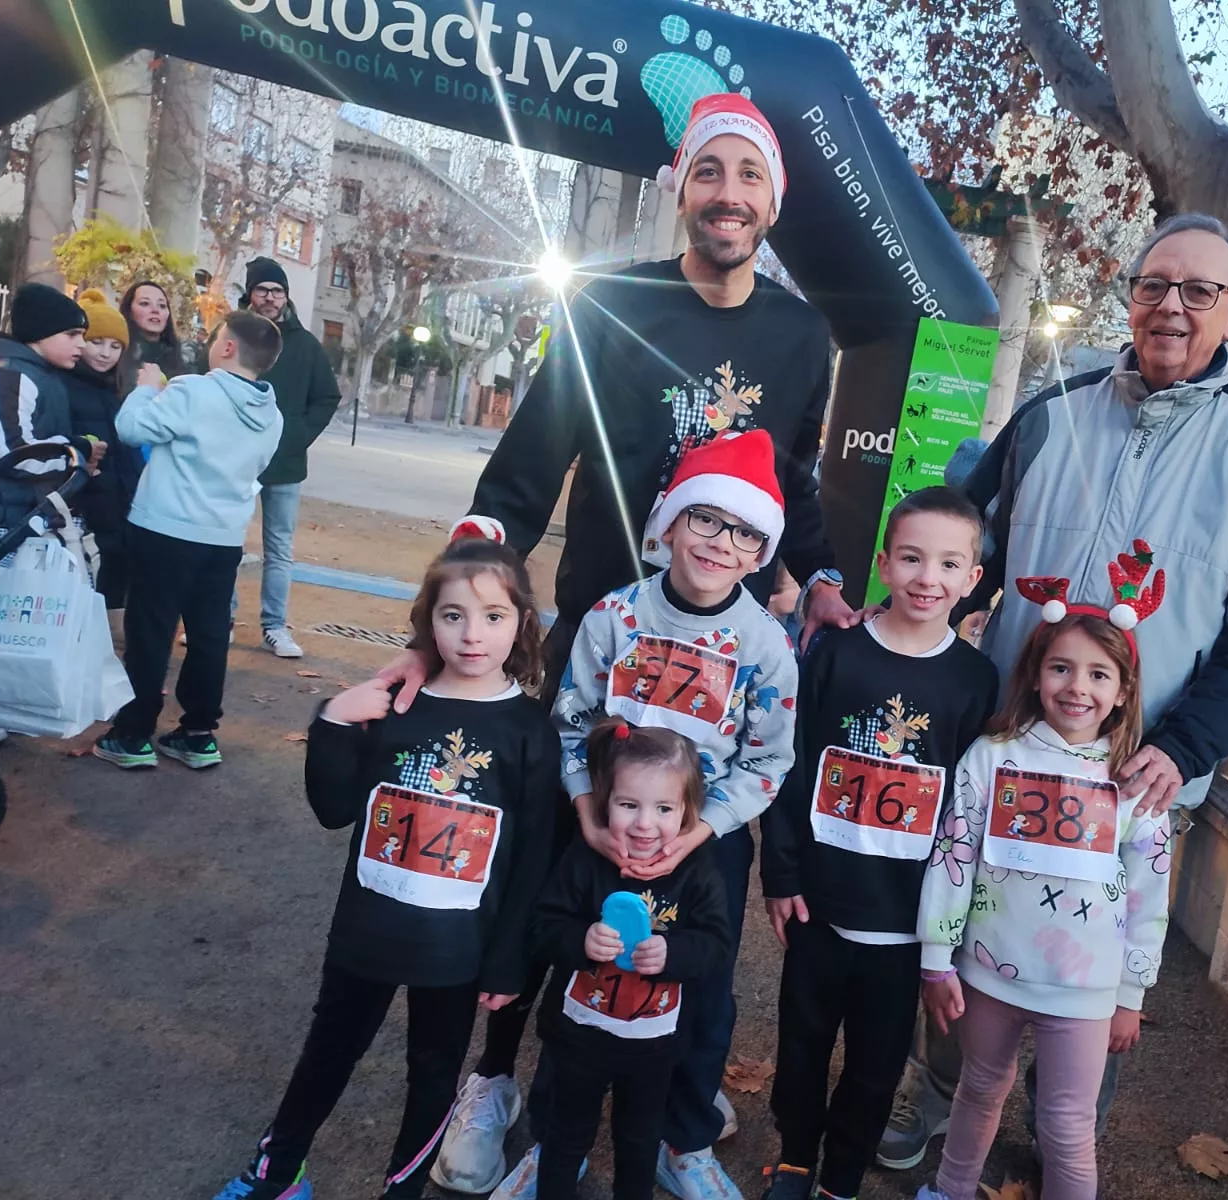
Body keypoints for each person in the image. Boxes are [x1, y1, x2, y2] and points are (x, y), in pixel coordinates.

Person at [428, 91, 856, 1200]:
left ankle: (674, 1123)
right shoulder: (605, 305)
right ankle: (494, 1081)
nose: (727, 194)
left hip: (716, 678)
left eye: (747, 176)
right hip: (601, 651)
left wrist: (824, 587)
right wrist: (457, 600)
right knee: (549, 878)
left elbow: (792, 488)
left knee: (697, 896)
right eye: (708, 171)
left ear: (776, 198)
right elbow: (520, 475)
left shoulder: (803, 335)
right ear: (680, 186)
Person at [878, 211, 1228, 1168]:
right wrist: (889, 633)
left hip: (1133, 779)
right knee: (968, 937)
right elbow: (967, 549)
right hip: (1006, 748)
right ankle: (940, 1098)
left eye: (1199, 291)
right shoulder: (1051, 414)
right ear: (1129, 296)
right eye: (1155, 284)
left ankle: (1061, 1135)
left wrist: (1185, 745)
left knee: (1095, 970)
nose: (1172, 306)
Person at [482, 430, 798, 1200]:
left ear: (762, 552)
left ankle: (681, 1138)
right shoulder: (614, 615)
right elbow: (569, 721)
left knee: (701, 991)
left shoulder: (764, 644)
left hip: (704, 847)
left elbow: (769, 762)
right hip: (602, 836)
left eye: (745, 531)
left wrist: (702, 828)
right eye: (707, 520)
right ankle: (560, 1135)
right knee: (582, 976)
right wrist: (589, 814)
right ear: (670, 522)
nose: (722, 543)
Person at [208, 522, 560, 1200]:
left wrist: (510, 957)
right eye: (453, 615)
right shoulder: (396, 704)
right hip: (367, 934)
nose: (472, 634)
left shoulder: (528, 733)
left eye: (493, 616)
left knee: (433, 1070)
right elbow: (335, 807)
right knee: (329, 1050)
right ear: (429, 620)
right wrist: (334, 720)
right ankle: (276, 1173)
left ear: (522, 623)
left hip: (457, 950)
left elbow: (531, 858)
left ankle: (401, 1188)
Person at [758, 487, 998, 1200]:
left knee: (875, 1066)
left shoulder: (974, 682)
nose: (930, 578)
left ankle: (840, 1177)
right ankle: (797, 1158)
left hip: (905, 927)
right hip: (821, 908)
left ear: (972, 579)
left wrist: (949, 928)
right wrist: (781, 873)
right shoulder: (833, 657)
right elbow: (791, 767)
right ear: (886, 565)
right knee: (800, 1048)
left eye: (949, 563)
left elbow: (968, 811)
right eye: (914, 558)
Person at [913, 559, 1174, 1200]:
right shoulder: (992, 757)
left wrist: (1132, 992)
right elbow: (955, 854)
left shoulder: (1136, 781)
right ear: (1035, 674)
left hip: (1083, 991)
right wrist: (936, 957)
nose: (1076, 687)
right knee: (978, 1089)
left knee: (1066, 1126)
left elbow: (1149, 893)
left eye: (1097, 674)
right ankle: (949, 1190)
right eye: (1061, 667)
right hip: (988, 970)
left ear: (1122, 689)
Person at [529, 719, 731, 1200]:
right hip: (579, 1039)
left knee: (638, 1142)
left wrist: (674, 951)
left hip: (654, 1048)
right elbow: (543, 927)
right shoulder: (585, 860)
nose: (645, 823)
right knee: (564, 1136)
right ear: (604, 803)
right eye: (628, 805)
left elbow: (718, 946)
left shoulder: (698, 871)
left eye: (663, 808)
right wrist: (581, 940)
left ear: (687, 812)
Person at [93, 312, 284, 771]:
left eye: (218, 336)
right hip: (222, 536)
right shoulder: (272, 416)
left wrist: (145, 387)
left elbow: (132, 429)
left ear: (229, 347)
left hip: (165, 526)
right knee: (209, 634)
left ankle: (133, 733)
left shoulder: (193, 389)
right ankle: (198, 733)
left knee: (151, 631)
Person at [0, 283, 95, 748]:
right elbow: (8, 451)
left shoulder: (33, 374)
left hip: (15, 516)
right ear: (40, 333)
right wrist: (78, 455)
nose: (82, 345)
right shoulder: (8, 375)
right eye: (72, 333)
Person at [240, 256, 343, 659]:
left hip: (284, 464)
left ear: (286, 296)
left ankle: (275, 625)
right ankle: (220, 618)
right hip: (234, 460)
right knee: (227, 543)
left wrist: (299, 435)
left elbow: (327, 396)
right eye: (263, 289)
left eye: (277, 290)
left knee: (279, 548)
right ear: (251, 293)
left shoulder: (304, 345)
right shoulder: (232, 335)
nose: (270, 298)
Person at [62, 289, 144, 613]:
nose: (105, 353)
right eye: (97, 342)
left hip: (115, 503)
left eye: (115, 346)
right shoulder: (65, 385)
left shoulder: (114, 388)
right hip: (87, 503)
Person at [118, 280, 189, 395]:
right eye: (145, 303)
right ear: (129, 311)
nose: (155, 310)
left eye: (162, 305)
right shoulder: (115, 353)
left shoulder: (184, 359)